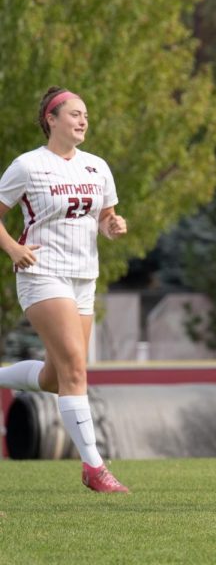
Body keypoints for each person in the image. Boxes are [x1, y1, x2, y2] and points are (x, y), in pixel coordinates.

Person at [0, 87, 129, 492]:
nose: (83, 120)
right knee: (76, 367)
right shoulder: (28, 165)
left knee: (59, 377)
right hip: (42, 273)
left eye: (85, 114)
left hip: (83, 278)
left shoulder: (97, 167)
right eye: (74, 114)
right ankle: (94, 467)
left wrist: (113, 225)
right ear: (51, 119)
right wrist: (13, 248)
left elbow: (105, 216)